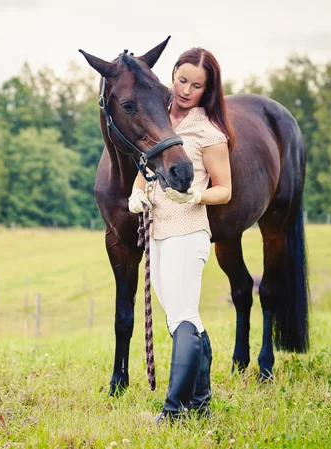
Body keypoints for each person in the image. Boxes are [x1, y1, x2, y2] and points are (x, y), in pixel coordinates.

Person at [127, 47, 234, 423]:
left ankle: (173, 413)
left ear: (208, 91)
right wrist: (138, 193)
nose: (186, 89)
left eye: (197, 85)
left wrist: (196, 195)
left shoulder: (208, 133)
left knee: (182, 318)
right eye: (182, 79)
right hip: (158, 231)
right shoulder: (158, 120)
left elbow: (225, 189)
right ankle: (201, 403)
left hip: (189, 232)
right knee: (185, 317)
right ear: (172, 75)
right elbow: (147, 165)